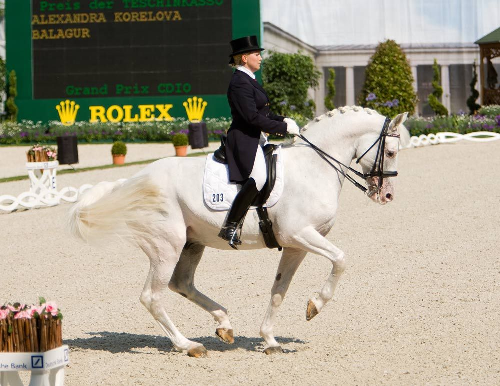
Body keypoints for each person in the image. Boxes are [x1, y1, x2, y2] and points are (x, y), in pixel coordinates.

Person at [218, 35, 300, 248]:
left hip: (256, 137)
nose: (261, 58)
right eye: (257, 54)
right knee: (260, 177)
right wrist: (283, 129)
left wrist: (283, 120)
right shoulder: (239, 83)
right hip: (244, 139)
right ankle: (230, 226)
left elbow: (263, 113)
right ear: (244, 58)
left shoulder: (249, 80)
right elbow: (251, 118)